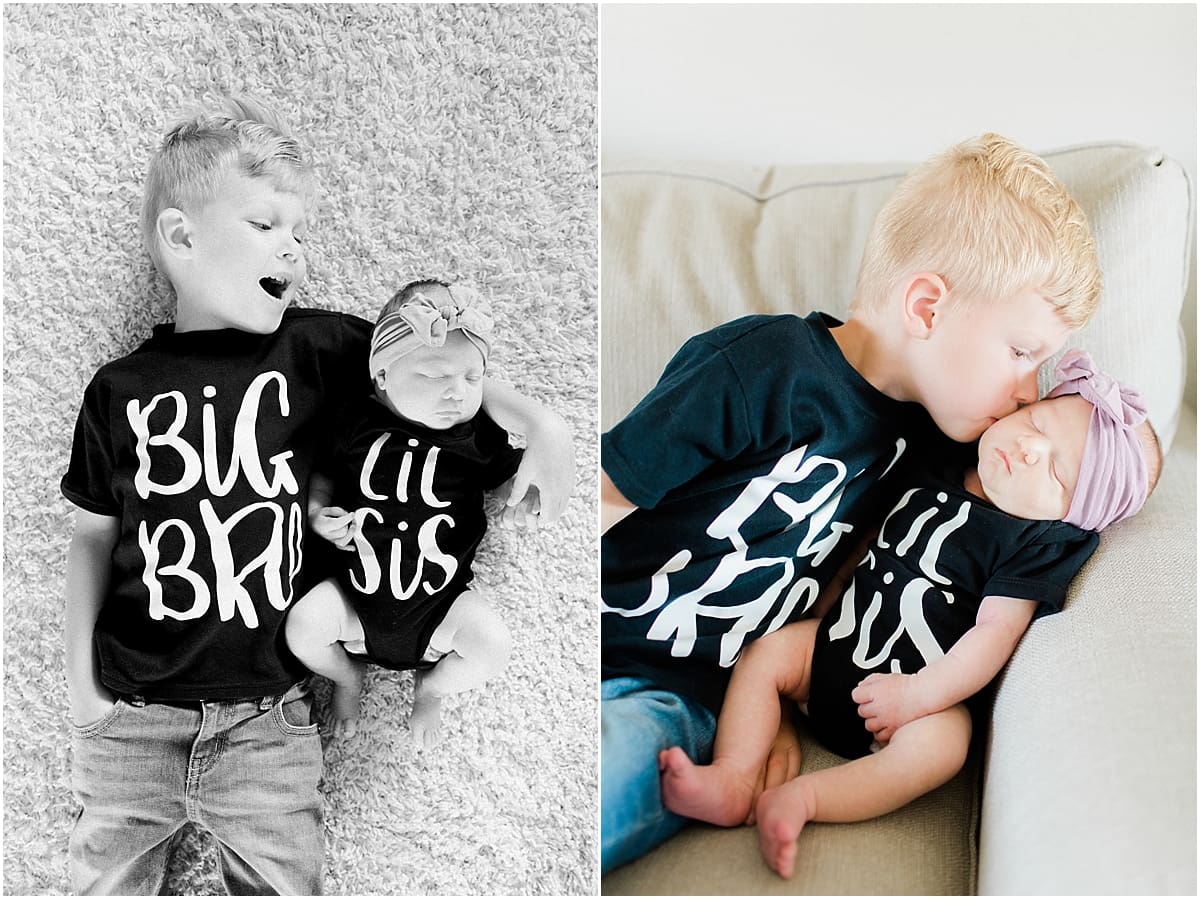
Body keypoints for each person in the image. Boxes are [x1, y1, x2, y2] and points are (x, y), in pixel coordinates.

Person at [60, 95, 573, 896]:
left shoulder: (319, 347)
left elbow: (427, 360)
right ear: (182, 236)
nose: (292, 249)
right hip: (133, 712)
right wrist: (81, 688)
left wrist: (542, 423)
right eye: (266, 224)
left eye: (300, 232)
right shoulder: (119, 388)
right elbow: (92, 536)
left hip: (268, 716)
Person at [600, 132, 1105, 873]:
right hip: (591, 622)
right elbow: (603, 494)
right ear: (927, 307)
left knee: (602, 781)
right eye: (1022, 352)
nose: (1031, 392)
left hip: (679, 695)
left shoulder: (933, 459)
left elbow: (847, 586)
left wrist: (766, 709)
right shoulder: (762, 367)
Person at [656, 350, 1162, 877]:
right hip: (831, 646)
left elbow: (994, 633)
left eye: (1057, 471)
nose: (1030, 449)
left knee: (946, 746)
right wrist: (822, 610)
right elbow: (864, 544)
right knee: (766, 654)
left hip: (913, 704)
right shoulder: (936, 460)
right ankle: (733, 777)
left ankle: (806, 799)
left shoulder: (1033, 543)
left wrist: (921, 695)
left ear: (1070, 518)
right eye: (1037, 422)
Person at [285, 279, 548, 747]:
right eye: (433, 376)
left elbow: (508, 476)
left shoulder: (477, 436)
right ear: (382, 376)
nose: (457, 393)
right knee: (302, 628)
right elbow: (322, 472)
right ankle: (346, 675)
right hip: (353, 601)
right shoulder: (354, 422)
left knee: (492, 646)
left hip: (440, 609)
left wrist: (523, 494)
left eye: (472, 378)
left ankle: (432, 687)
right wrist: (318, 512)